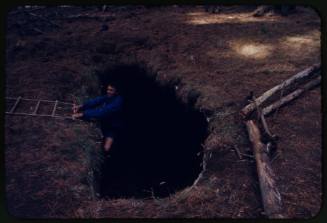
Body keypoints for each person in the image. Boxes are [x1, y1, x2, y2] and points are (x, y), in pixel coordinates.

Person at [72, 83, 123, 156]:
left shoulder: (118, 101)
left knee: (107, 148)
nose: (108, 91)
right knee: (99, 139)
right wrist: (81, 106)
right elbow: (96, 101)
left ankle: (108, 157)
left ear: (116, 92)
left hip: (113, 126)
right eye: (108, 89)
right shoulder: (108, 97)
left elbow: (104, 112)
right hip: (104, 122)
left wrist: (84, 114)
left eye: (111, 90)